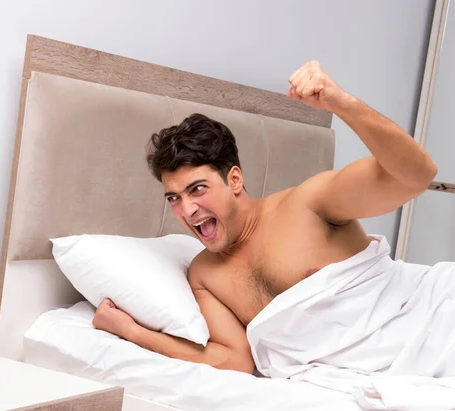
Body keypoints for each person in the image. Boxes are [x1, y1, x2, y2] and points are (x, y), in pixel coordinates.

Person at [92, 61, 437, 375]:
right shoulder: (205, 275)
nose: (187, 210)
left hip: (431, 322)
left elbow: (416, 176)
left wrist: (340, 102)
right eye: (174, 198)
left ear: (235, 180)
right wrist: (131, 331)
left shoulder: (309, 203)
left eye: (197, 189)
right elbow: (232, 360)